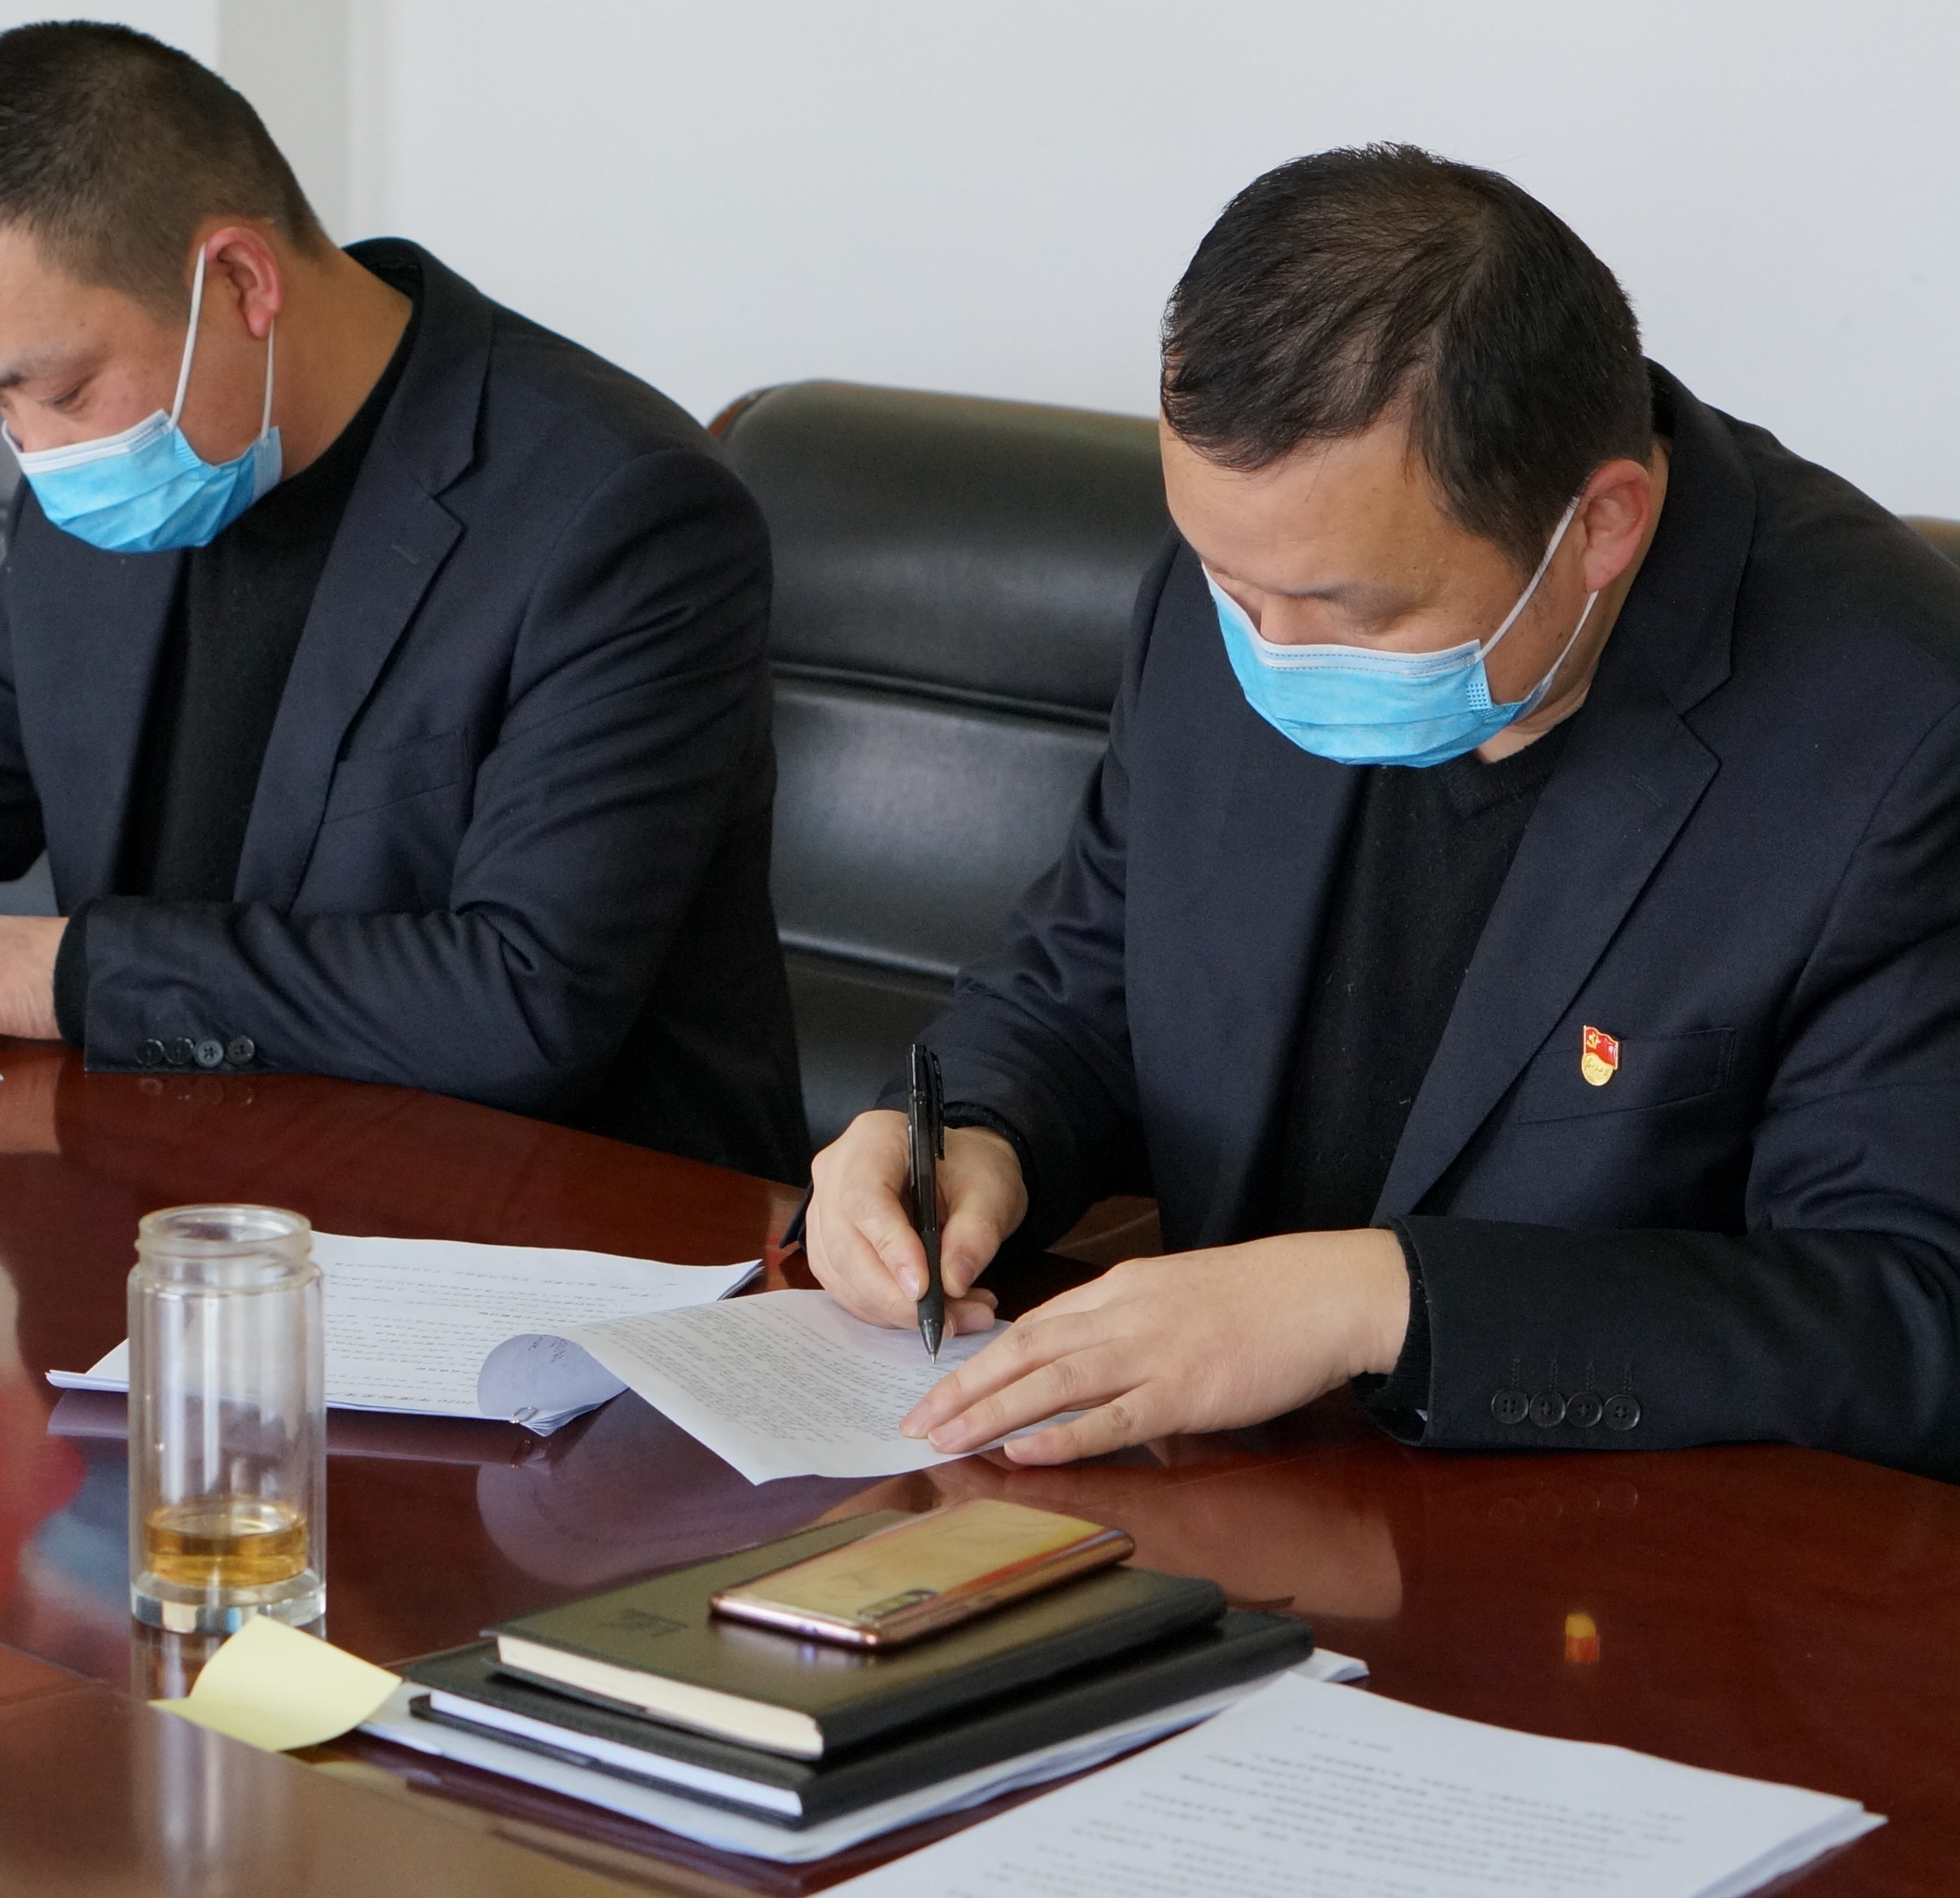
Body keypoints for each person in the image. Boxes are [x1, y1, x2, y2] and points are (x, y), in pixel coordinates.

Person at [809, 145, 1960, 1480]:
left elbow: (1910, 1313)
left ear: (1601, 526)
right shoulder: (1255, 567)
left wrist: (1379, 1299)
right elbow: (1089, 981)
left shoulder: (1899, 738)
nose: (1268, 647)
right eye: (1228, 581)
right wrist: (966, 1136)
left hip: (1611, 1539)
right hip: (1227, 1493)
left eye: (1346, 610)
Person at [0, 21, 805, 1181]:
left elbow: (523, 998)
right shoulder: (110, 481)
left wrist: (72, 976)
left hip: (557, 1224)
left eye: (61, 390)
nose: (37, 451)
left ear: (240, 281)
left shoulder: (616, 512)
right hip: (170, 1194)